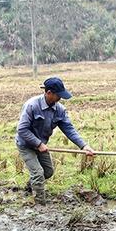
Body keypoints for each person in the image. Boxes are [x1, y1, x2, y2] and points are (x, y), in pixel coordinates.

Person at [15, 77, 94, 205]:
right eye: (58, 95)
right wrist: (38, 144)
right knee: (38, 173)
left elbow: (69, 129)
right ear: (49, 93)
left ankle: (31, 186)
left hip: (41, 145)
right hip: (26, 145)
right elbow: (22, 130)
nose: (60, 99)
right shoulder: (32, 105)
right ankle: (40, 205)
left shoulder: (59, 109)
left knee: (48, 172)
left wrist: (84, 146)